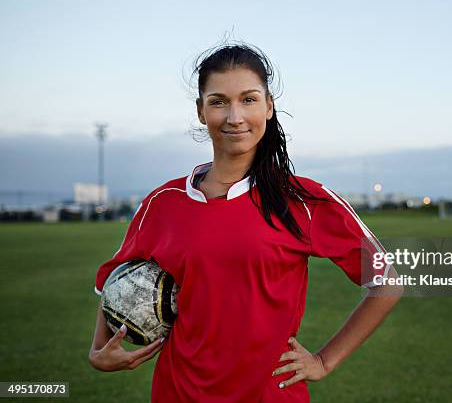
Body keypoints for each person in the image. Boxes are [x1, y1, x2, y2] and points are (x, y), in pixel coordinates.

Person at [88, 41, 404, 402]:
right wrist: (99, 349)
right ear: (200, 111)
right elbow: (113, 281)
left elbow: (386, 282)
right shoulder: (163, 204)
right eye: (219, 101)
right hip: (176, 393)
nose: (234, 116)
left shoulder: (302, 200)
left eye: (249, 99)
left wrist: (323, 361)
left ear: (269, 106)